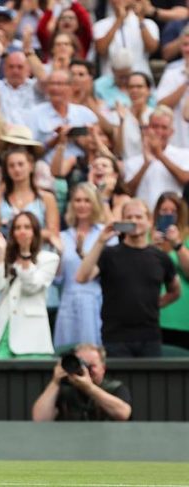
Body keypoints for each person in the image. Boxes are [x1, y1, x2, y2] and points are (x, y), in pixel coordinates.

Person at [77, 199, 180, 358]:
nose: (134, 221)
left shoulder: (161, 257)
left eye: (139, 217)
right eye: (129, 217)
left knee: (151, 383)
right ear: (122, 222)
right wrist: (100, 240)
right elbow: (82, 277)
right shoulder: (109, 254)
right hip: (115, 337)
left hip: (150, 336)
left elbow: (175, 291)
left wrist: (154, 304)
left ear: (149, 221)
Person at [0, 211, 59, 358]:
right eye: (18, 228)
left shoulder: (49, 258)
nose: (22, 231)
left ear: (35, 232)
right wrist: (1, 251)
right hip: (3, 329)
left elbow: (31, 286)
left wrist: (25, 254)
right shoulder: (3, 256)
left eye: (27, 227)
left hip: (31, 334)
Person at [54, 183, 112, 348]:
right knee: (66, 354)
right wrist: (58, 254)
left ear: (94, 203)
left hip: (96, 302)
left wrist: (81, 252)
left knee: (94, 354)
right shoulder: (63, 236)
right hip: (68, 302)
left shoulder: (106, 234)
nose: (82, 205)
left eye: (87, 200)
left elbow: (108, 271)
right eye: (77, 200)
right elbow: (57, 279)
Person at [32, 343, 132, 421]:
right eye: (81, 364)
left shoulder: (114, 388)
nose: (86, 370)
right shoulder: (64, 390)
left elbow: (123, 413)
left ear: (103, 368)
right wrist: (55, 381)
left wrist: (89, 388)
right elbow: (39, 419)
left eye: (91, 366)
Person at [124, 106, 189, 211]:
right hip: (144, 217)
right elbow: (127, 191)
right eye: (155, 126)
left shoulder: (184, 154)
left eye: (164, 128)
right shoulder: (133, 161)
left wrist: (160, 155)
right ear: (146, 129)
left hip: (174, 215)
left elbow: (186, 179)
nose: (159, 131)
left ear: (171, 132)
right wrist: (145, 165)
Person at [151, 192, 189, 350]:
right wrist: (153, 248)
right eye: (163, 210)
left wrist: (178, 245)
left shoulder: (186, 236)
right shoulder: (148, 236)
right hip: (154, 313)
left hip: (182, 313)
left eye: (173, 211)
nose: (168, 214)